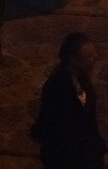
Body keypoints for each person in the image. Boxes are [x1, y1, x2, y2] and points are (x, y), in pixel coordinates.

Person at [31, 32, 106, 169]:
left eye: (94, 53)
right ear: (73, 61)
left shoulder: (80, 78)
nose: (95, 58)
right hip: (67, 156)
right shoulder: (58, 88)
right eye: (88, 56)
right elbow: (62, 129)